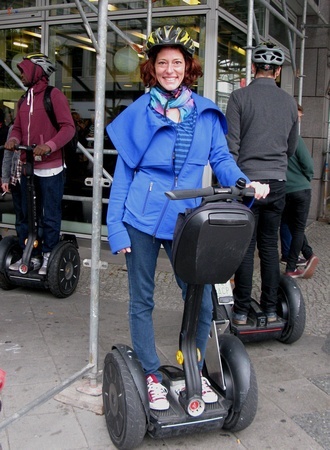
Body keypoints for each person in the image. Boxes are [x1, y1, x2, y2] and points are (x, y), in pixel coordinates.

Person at [106, 26, 269, 411]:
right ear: (152, 68)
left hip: (187, 220)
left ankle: (191, 368)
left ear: (188, 67)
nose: (169, 69)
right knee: (140, 299)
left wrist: (245, 183)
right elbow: (125, 173)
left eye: (176, 62)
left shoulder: (206, 113)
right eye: (162, 63)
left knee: (200, 298)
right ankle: (150, 374)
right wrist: (116, 226)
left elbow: (222, 161)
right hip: (140, 219)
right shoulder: (138, 114)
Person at [226, 42, 299, 325]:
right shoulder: (290, 102)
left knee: (246, 246)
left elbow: (231, 146)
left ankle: (242, 311)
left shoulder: (239, 97)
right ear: (278, 71)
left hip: (247, 183)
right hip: (278, 181)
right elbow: (291, 148)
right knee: (269, 246)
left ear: (253, 68)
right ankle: (270, 310)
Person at [4, 53, 75, 274]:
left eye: (24, 70)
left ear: (38, 71)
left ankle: (48, 255)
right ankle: (30, 254)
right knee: (27, 214)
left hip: (51, 167)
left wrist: (50, 145)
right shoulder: (24, 99)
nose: (21, 75)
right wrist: (13, 139)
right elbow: (16, 127)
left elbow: (68, 128)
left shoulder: (54, 96)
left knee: (49, 214)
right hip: (28, 167)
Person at [280, 104, 319, 278]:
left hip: (283, 189)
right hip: (301, 189)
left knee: (289, 224)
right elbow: (308, 165)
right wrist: (306, 179)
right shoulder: (295, 137)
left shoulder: (276, 137)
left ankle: (309, 254)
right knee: (298, 228)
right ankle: (291, 267)